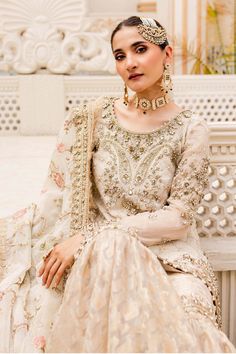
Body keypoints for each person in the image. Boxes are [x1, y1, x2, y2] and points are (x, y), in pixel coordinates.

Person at [0, 15, 235, 353]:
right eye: (120, 55)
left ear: (167, 55)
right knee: (108, 257)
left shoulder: (191, 129)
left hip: (169, 259)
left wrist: (91, 237)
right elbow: (57, 200)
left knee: (188, 314)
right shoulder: (90, 121)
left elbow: (179, 217)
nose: (130, 63)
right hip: (101, 259)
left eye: (140, 49)